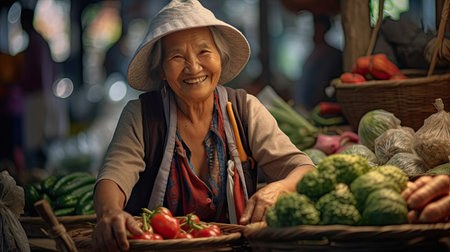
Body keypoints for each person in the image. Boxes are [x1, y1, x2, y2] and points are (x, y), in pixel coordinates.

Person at [92, 0, 315, 251]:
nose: (194, 67)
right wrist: (110, 212)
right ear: (162, 69)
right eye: (177, 56)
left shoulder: (244, 109)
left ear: (220, 57)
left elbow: (304, 169)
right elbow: (113, 177)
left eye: (204, 52)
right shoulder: (141, 116)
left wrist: (280, 187)